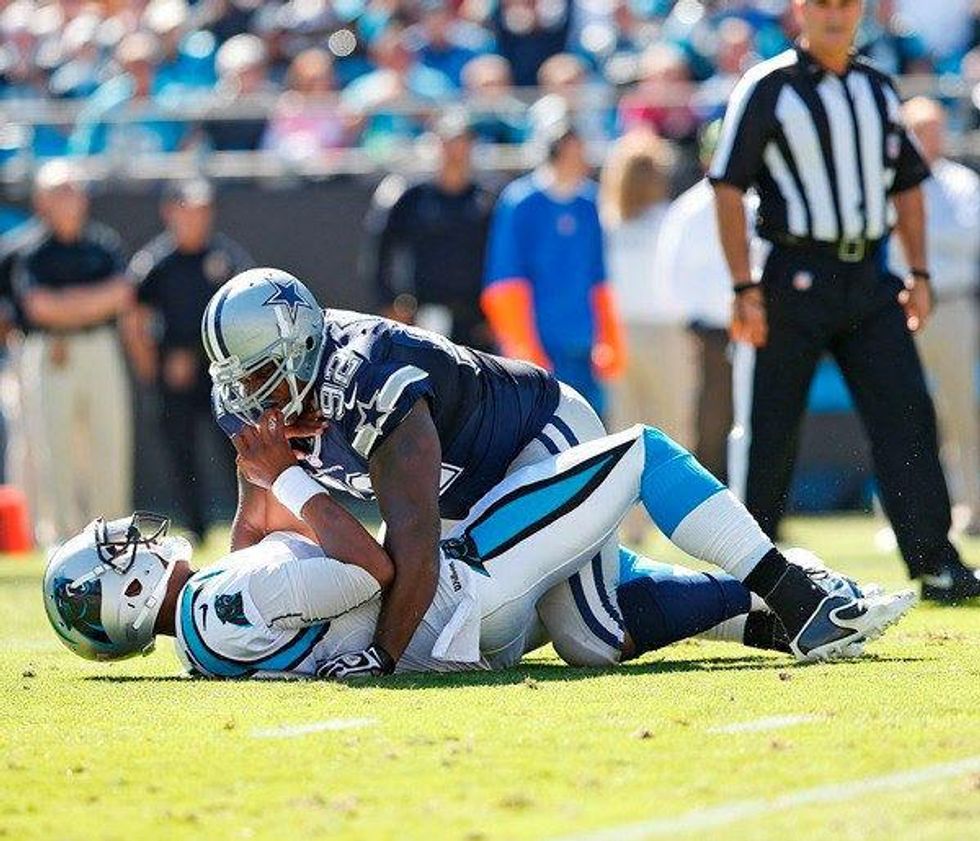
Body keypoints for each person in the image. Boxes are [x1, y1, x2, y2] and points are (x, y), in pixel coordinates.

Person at [201, 267, 912, 676]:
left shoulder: (372, 373)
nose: (247, 395)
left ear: (299, 349)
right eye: (236, 377)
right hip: (462, 492)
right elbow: (258, 524)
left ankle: (792, 590)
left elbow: (412, 541)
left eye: (259, 373)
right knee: (581, 634)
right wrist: (233, 600)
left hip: (536, 439)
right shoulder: (252, 405)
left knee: (589, 636)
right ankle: (774, 602)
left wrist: (382, 657)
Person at [42, 421, 915, 676]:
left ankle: (775, 615)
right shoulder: (222, 605)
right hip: (458, 593)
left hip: (455, 628)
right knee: (638, 453)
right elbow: (369, 568)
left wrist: (261, 478)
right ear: (126, 596)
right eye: (116, 554)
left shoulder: (207, 626)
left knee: (597, 610)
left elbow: (261, 560)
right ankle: (795, 589)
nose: (132, 540)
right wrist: (295, 481)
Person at [710, 0, 980, 603]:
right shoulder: (768, 86)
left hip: (869, 274)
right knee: (769, 425)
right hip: (792, 274)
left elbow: (908, 185)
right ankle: (750, 575)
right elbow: (727, 186)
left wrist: (919, 271)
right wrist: (742, 286)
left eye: (846, 3)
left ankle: (935, 561)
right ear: (801, 10)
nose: (835, 15)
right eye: (823, 3)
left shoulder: (876, 87)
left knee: (906, 413)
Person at [122, 179, 253, 542]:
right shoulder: (155, 263)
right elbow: (134, 319)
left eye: (203, 210)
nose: (197, 218)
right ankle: (196, 527)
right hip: (175, 376)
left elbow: (247, 311)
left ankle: (250, 520)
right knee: (181, 451)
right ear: (170, 212)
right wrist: (153, 372)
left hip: (222, 374)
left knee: (238, 450)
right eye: (189, 210)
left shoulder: (226, 258)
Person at [12, 160, 133, 545]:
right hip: (51, 350)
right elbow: (38, 307)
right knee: (54, 447)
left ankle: (112, 537)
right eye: (60, 191)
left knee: (109, 441)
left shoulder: (102, 243)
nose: (71, 198)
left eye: (74, 190)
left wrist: (67, 302)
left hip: (99, 345)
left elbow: (122, 294)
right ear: (41, 201)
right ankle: (62, 540)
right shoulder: (31, 251)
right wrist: (91, 301)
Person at [482, 113, 625, 418]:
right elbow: (505, 281)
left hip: (584, 346)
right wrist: (523, 347)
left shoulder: (589, 202)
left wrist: (610, 338)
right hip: (541, 347)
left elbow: (599, 276)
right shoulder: (521, 202)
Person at [894, 98, 980, 536]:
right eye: (920, 130)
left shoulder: (961, 182)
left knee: (961, 411)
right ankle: (902, 514)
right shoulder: (889, 180)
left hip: (952, 306)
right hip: (902, 307)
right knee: (899, 412)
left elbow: (970, 238)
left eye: (935, 129)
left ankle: (972, 507)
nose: (929, 139)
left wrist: (910, 227)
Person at [362, 110, 496, 352]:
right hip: (425, 312)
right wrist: (389, 301)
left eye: (463, 143)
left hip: (475, 318)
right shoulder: (410, 196)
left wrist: (494, 315)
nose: (456, 151)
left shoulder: (486, 199)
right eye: (450, 143)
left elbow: (501, 258)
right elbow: (381, 249)